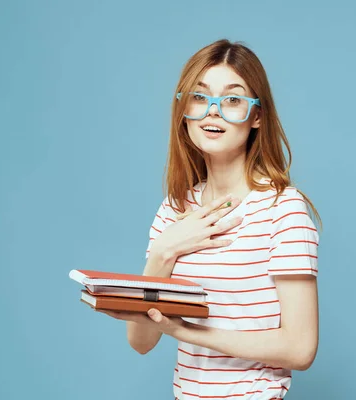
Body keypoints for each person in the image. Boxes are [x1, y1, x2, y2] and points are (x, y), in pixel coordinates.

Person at [99, 39, 322, 400]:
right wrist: (163, 252)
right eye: (200, 97)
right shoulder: (174, 209)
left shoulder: (282, 209)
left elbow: (300, 349)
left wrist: (186, 331)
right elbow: (141, 341)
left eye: (233, 99)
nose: (213, 111)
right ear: (184, 109)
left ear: (257, 116)